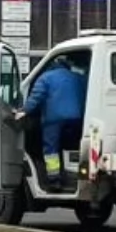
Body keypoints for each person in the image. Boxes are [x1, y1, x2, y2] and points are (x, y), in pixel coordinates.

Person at [19, 55, 87, 191]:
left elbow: (36, 97)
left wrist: (24, 111)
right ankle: (76, 176)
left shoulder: (46, 77)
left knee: (51, 149)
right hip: (77, 119)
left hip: (54, 120)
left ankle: (54, 180)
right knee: (76, 146)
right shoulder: (78, 78)